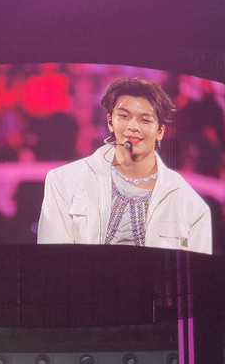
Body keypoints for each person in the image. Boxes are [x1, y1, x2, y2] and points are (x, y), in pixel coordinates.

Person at [37, 77, 212, 252]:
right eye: (123, 116)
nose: (133, 126)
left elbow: (196, 274)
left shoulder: (191, 205)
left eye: (145, 120)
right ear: (110, 122)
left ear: (160, 131)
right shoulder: (63, 182)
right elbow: (51, 263)